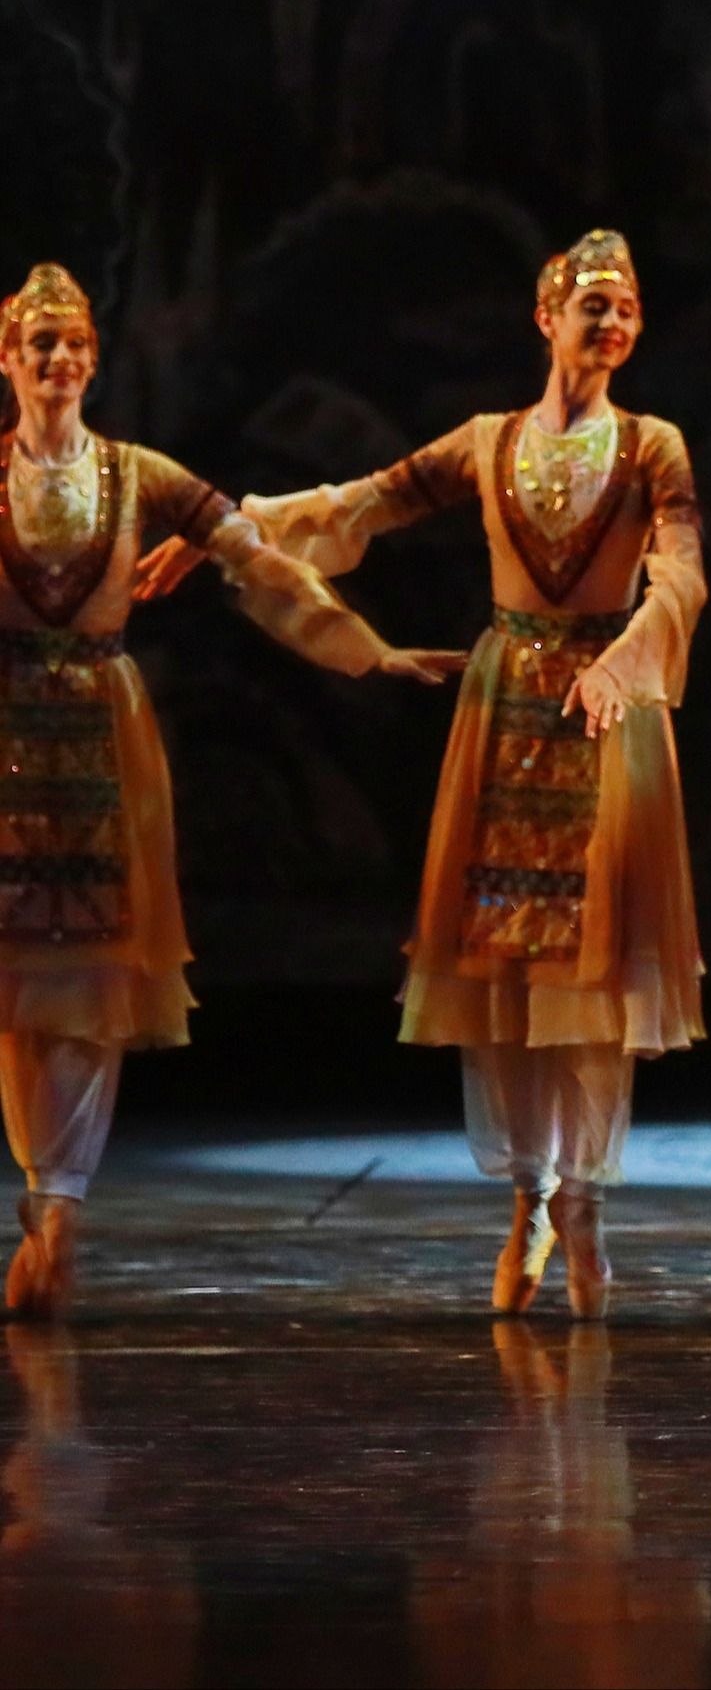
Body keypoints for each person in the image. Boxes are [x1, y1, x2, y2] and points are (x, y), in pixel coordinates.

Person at [141, 231, 707, 1321]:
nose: (612, 321)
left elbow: (679, 574)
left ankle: (585, 1202)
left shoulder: (653, 448)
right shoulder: (488, 443)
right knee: (506, 969)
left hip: (605, 709)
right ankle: (529, 1198)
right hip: (506, 714)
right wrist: (228, 531)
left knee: (595, 975)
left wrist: (629, 662)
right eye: (593, 303)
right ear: (546, 318)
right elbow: (358, 503)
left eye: (627, 306)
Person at [0, 262, 453, 1316]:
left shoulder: (141, 475)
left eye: (74, 344)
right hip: (9, 734)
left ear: (94, 362)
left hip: (102, 741)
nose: (59, 359)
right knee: (17, 986)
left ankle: (59, 1206)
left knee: (94, 979)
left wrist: (365, 651)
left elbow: (261, 562)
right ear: (8, 359)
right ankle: (40, 1186)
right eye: (40, 343)